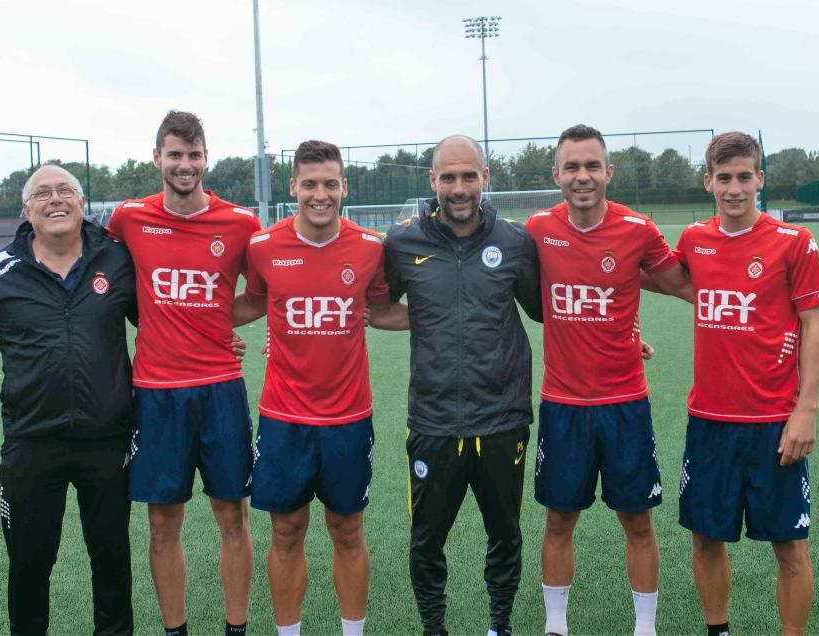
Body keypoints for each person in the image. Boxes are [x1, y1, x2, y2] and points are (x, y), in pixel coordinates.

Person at [0, 164, 136, 635]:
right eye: (43, 194)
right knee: (29, 566)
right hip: (32, 443)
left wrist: (218, 340)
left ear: (81, 203)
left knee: (112, 561)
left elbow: (162, 322)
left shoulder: (117, 259)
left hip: (107, 440)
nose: (56, 200)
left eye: (65, 191)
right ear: (26, 211)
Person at [372, 134, 541, 636]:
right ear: (433, 181)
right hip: (433, 420)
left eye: (469, 176)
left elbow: (543, 308)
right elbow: (377, 307)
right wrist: (429, 317)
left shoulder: (515, 240)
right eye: (449, 177)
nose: (460, 187)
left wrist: (627, 331)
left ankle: (500, 625)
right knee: (426, 540)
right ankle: (434, 628)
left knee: (505, 534)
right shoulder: (403, 242)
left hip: (502, 418)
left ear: (485, 178)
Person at [525, 124, 690, 636]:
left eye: (592, 166)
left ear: (608, 172)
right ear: (556, 174)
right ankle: (557, 626)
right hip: (563, 405)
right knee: (558, 521)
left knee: (638, 521)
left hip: (625, 405)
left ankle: (646, 627)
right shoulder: (536, 229)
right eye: (571, 167)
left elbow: (682, 285)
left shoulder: (638, 230)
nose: (582, 176)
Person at [105, 111, 260, 636]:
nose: (185, 165)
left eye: (194, 155)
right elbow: (104, 276)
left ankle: (235, 628)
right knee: (160, 524)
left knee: (232, 519)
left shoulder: (240, 223)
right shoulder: (128, 218)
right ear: (157, 158)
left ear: (206, 158)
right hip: (155, 394)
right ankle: (176, 630)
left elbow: (262, 293)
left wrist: (219, 321)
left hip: (220, 390)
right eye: (175, 154)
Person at [232, 139, 394, 636]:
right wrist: (199, 328)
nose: (319, 194)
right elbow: (252, 303)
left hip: (349, 419)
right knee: (285, 532)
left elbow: (383, 310)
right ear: (293, 187)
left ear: (343, 186)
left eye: (329, 184)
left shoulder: (370, 247)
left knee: (348, 531)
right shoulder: (263, 246)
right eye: (309, 184)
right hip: (283, 420)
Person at [674, 132, 819, 636]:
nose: (734, 187)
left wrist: (806, 410)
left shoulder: (794, 242)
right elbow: (664, 282)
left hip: (774, 423)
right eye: (724, 178)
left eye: (744, 176)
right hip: (710, 422)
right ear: (708, 183)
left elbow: (814, 323)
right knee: (705, 539)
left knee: (790, 547)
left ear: (759, 179)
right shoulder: (694, 241)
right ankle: (718, 630)